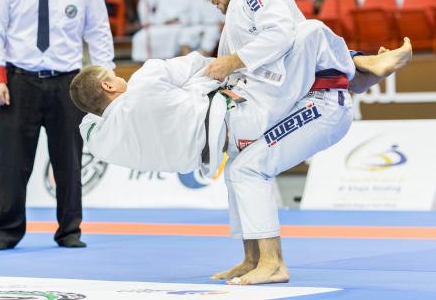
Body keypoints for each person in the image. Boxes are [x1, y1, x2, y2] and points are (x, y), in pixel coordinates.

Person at [70, 22, 412, 284]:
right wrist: (224, 67)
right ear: (108, 86)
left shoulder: (103, 141)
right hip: (239, 116)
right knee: (308, 33)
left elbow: (88, 119)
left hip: (219, 143)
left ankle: (252, 258)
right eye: (114, 77)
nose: (122, 78)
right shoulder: (144, 83)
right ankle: (362, 65)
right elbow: (197, 64)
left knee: (239, 172)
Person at [184, 0, 411, 284]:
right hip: (301, 98)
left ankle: (273, 263)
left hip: (320, 103)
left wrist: (231, 61)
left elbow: (282, 36)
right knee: (237, 166)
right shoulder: (234, 23)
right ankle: (253, 258)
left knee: (310, 32)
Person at [0, 0, 114, 251]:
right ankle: (6, 231)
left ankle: (69, 230)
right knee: (11, 162)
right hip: (19, 80)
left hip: (68, 82)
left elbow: (98, 32)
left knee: (69, 160)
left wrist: (106, 79)